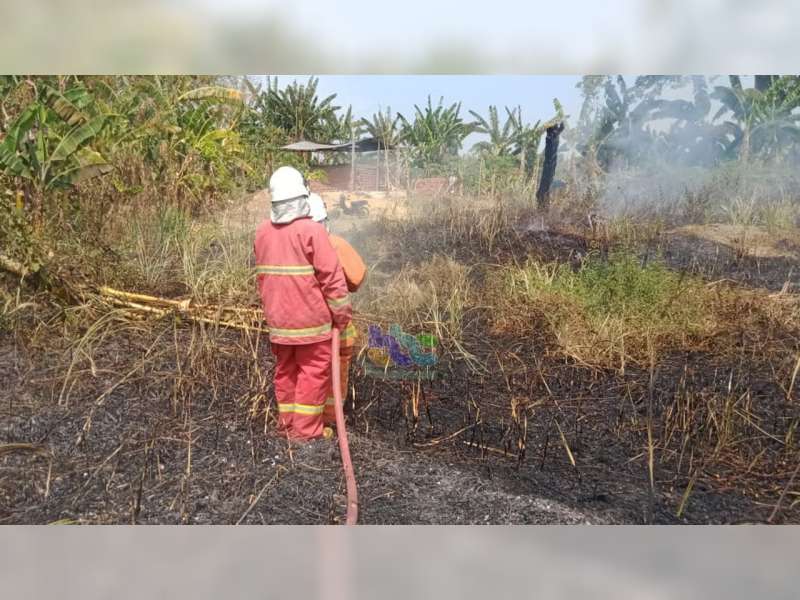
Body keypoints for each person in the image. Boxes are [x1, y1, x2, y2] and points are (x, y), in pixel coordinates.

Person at [253, 167, 352, 441]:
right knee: (312, 374)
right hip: (312, 325)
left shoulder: (262, 232)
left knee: (286, 372)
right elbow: (333, 280)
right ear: (302, 196)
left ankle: (287, 426)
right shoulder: (313, 231)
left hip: (279, 325)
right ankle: (305, 432)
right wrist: (342, 316)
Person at [307, 193, 367, 427]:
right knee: (334, 371)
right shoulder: (335, 244)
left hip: (300, 328)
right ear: (324, 221)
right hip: (334, 327)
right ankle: (330, 421)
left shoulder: (287, 246)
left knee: (304, 373)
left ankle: (305, 423)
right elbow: (357, 278)